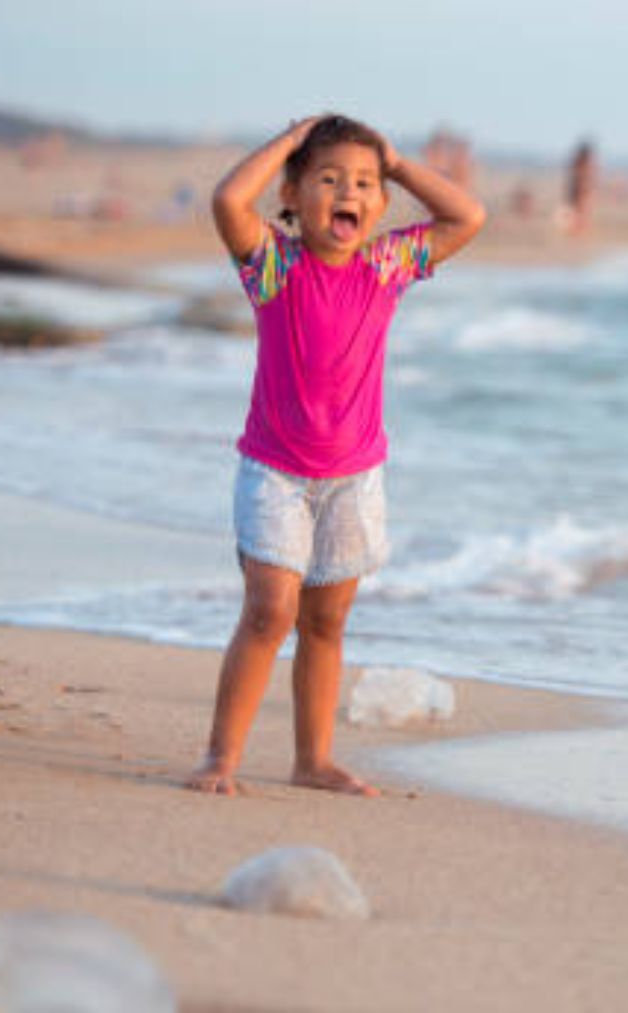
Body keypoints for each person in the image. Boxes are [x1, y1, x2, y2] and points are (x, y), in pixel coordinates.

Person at [188, 114, 486, 796]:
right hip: (274, 473)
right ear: (292, 195)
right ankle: (220, 757)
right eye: (327, 179)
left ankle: (311, 760)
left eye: (362, 183)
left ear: (379, 204)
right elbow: (229, 201)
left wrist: (400, 162)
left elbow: (467, 214)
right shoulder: (273, 265)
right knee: (269, 610)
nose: (346, 191)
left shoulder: (386, 266)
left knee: (326, 622)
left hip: (354, 478)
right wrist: (288, 144)